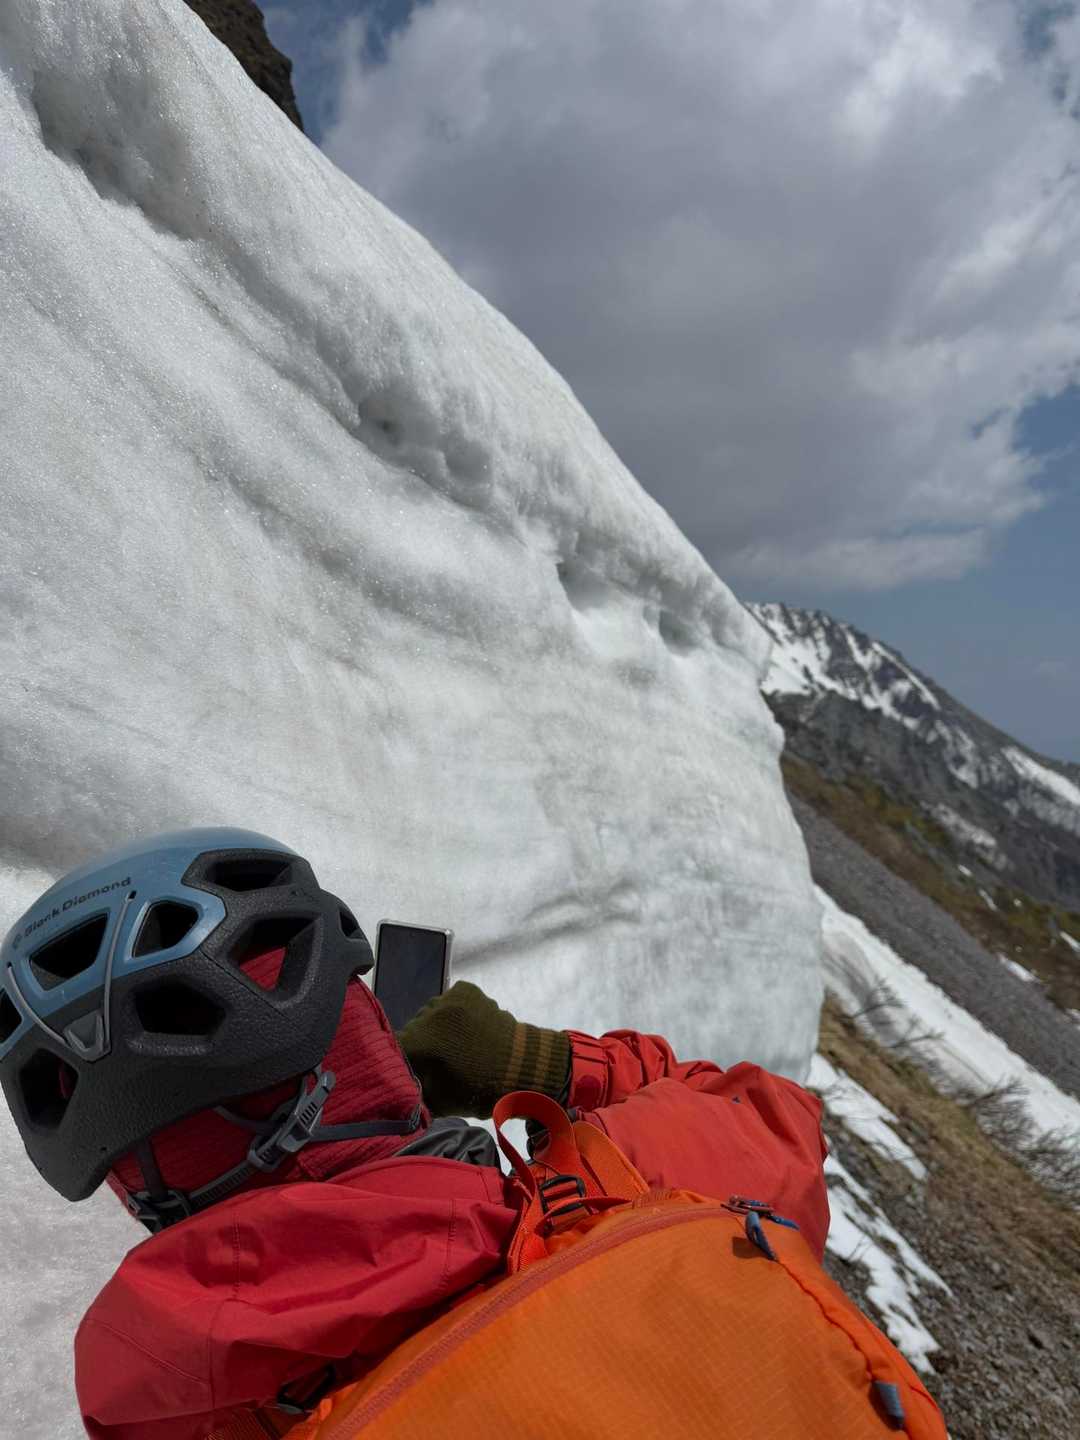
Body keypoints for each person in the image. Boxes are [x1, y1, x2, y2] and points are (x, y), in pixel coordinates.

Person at [0, 827, 833, 1439]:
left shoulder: (166, 1406)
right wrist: (537, 1062)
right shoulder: (613, 1202)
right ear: (354, 1051)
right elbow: (771, 1118)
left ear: (132, 1180)